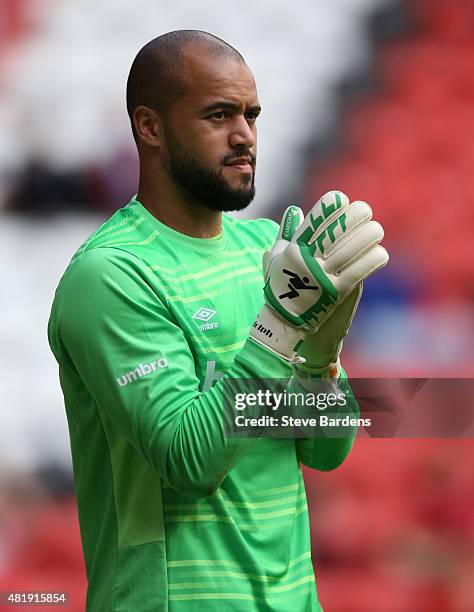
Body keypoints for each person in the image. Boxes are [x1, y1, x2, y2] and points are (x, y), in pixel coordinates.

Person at [48, 30, 388, 611]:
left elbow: (326, 451)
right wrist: (280, 329)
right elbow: (189, 457)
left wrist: (319, 360)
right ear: (149, 127)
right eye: (218, 115)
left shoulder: (266, 251)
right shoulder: (111, 276)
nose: (245, 136)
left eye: (252, 115)